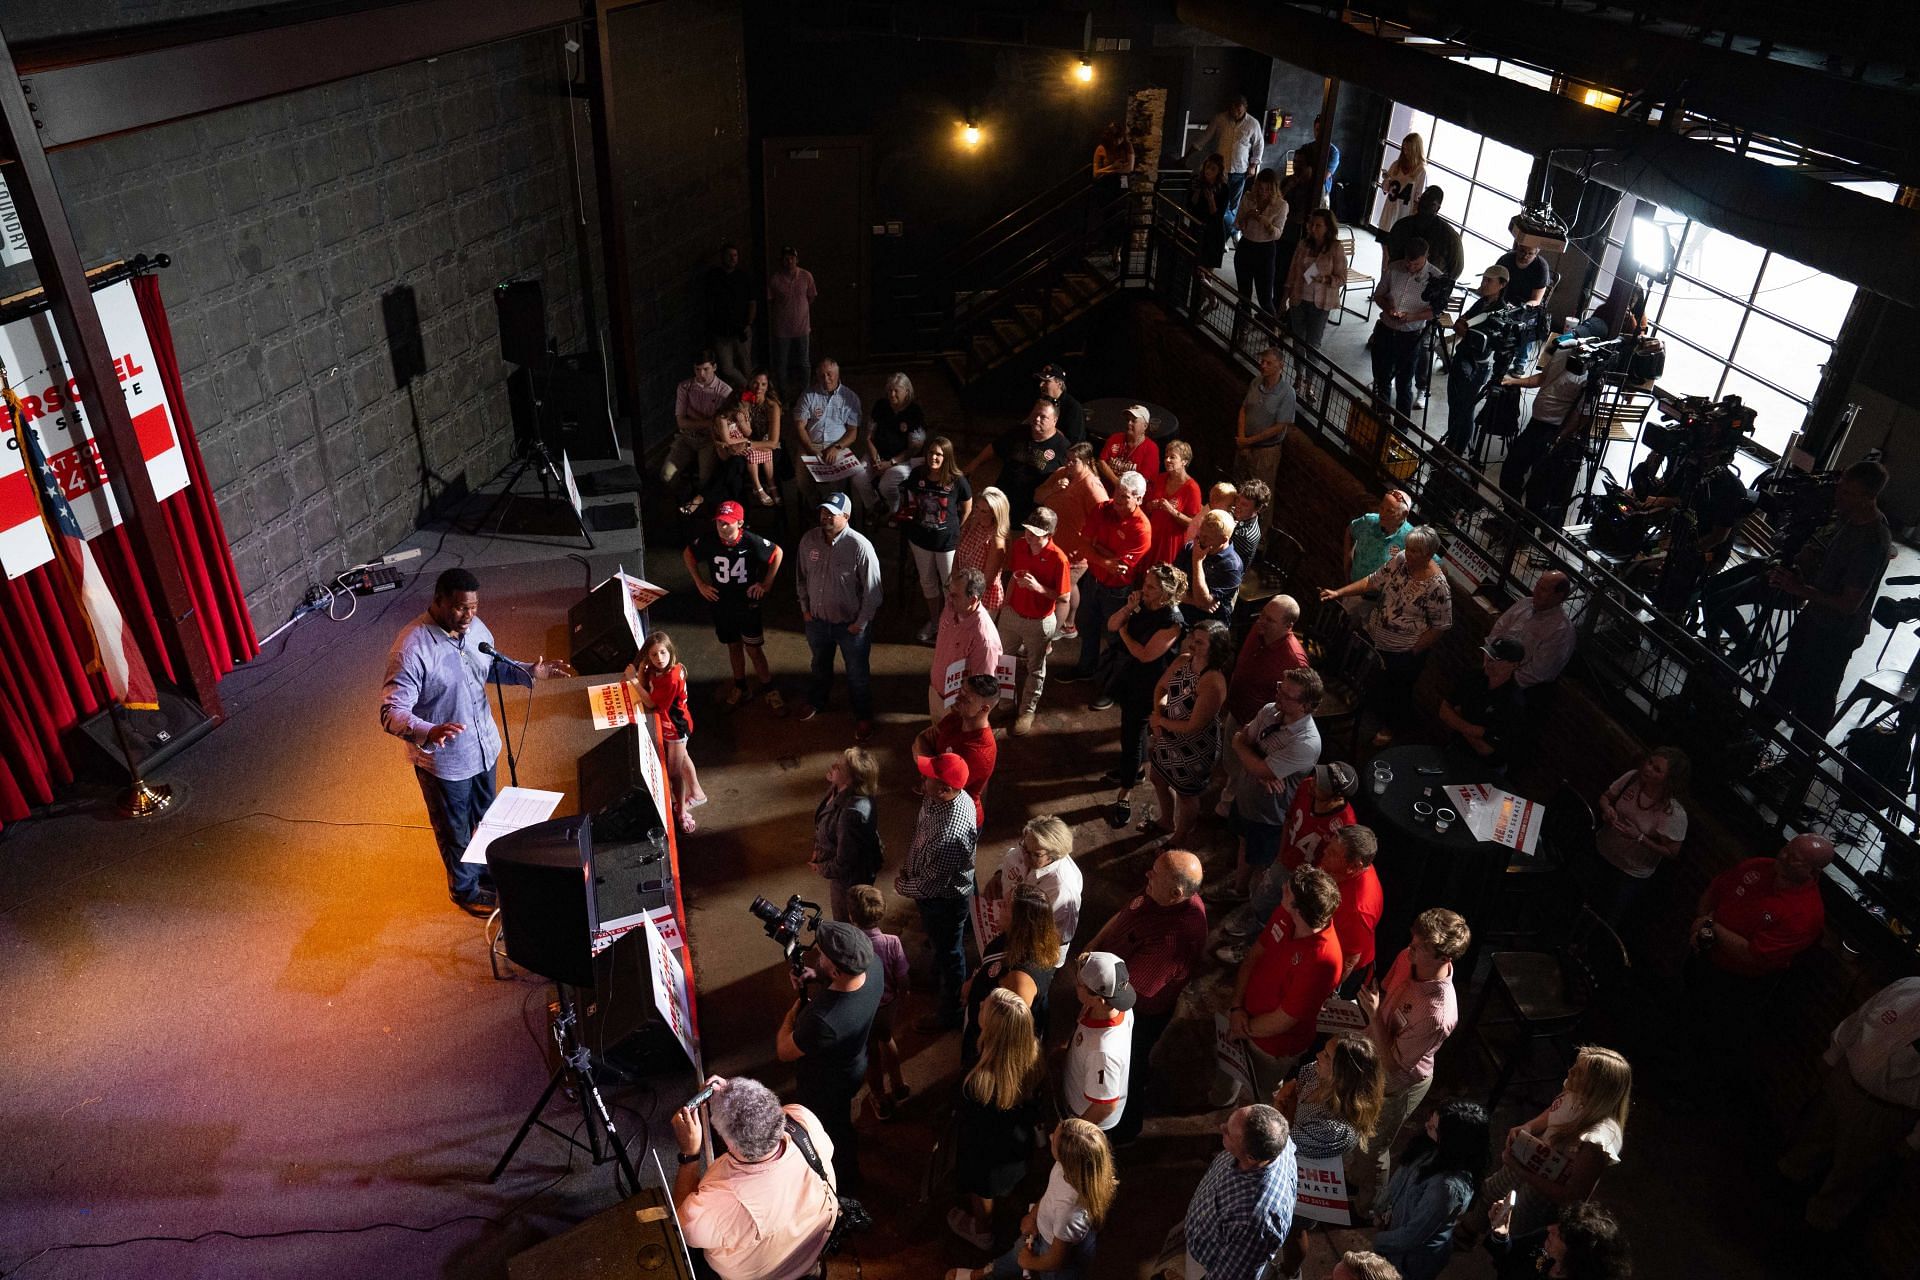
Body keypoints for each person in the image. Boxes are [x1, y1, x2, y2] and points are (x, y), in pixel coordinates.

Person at [379, 567, 575, 913]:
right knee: (455, 829)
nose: (469, 615)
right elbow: (390, 712)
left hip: (483, 749)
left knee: (486, 819)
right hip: (445, 762)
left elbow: (490, 666)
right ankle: (465, 889)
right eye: (460, 608)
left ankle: (487, 871)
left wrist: (530, 671)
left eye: (474, 607)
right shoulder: (411, 649)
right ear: (438, 601)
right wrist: (428, 729)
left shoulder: (475, 629)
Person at [1085, 849, 1209, 1145]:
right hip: (1109, 977)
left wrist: (1085, 985)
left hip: (1138, 1015)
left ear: (1177, 892)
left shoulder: (1174, 939)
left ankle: (1124, 1130)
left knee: (1128, 1068)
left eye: (1155, 874)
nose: (1147, 876)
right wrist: (1093, 945)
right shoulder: (1160, 891)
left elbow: (1124, 995)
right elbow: (1125, 914)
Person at [1777, 976, 1920, 1231]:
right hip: (1844, 1080)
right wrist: (1833, 1055)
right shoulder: (1910, 986)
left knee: (1848, 1175)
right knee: (1810, 1138)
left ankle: (1815, 1227)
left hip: (1882, 1111)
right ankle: (1780, 1188)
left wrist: (1914, 1140)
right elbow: (1862, 1016)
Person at [1354, 909, 1472, 1213]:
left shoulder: (1437, 1013)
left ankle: (1371, 1204)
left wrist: (1372, 1016)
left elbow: (1394, 1065)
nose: (1410, 950)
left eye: (1419, 948)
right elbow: (1384, 991)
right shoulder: (1410, 956)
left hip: (1398, 1080)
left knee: (1374, 1145)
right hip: (1372, 1049)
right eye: (1413, 941)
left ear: (1444, 958)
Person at [1766, 459, 1893, 736]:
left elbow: (1849, 604)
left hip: (1835, 634)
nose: (1839, 497)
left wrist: (1800, 590)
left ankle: (1797, 764)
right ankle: (1755, 737)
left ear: (1868, 497)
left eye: (1848, 494)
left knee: (1815, 703)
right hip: (1814, 619)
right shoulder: (1848, 520)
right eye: (1840, 489)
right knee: (1785, 683)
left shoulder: (1871, 540)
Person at [671, 1076, 838, 1280]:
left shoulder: (725, 1201)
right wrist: (734, 1092)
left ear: (730, 1144)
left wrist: (690, 1154)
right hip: (809, 1257)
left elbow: (681, 1228)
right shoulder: (802, 1119)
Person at [1469, 1046, 1631, 1240]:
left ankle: (1494, 1252)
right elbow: (1553, 1113)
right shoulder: (1574, 1094)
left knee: (1515, 1223)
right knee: (1490, 1193)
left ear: (1596, 1087)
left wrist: (1521, 1170)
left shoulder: (1597, 1141)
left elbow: (1572, 1197)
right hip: (1532, 1160)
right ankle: (1468, 1233)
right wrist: (1528, 1127)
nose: (1570, 1072)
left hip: (1543, 1192)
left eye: (1578, 1072)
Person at [1320, 529, 1453, 748]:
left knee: (1396, 694)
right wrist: (1340, 593)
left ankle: (1388, 728)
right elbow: (1373, 581)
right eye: (1408, 548)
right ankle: (1356, 714)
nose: (1408, 554)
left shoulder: (1438, 588)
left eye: (1415, 551)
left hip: (1403, 652)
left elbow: (1440, 626)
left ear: (1429, 554)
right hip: (1376, 636)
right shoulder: (1400, 559)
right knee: (1366, 678)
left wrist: (1412, 652)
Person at [776, 920, 882, 1187]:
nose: (819, 957)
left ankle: (843, 1181)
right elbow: (843, 983)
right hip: (854, 1064)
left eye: (822, 956)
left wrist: (794, 1012)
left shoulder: (823, 1020)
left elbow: (784, 1051)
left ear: (836, 971)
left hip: (826, 1085)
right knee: (842, 1118)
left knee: (831, 1130)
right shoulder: (874, 965)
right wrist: (817, 975)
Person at [1219, 762, 1359, 963]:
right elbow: (1289, 819)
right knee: (1262, 898)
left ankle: (1250, 949)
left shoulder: (1344, 824)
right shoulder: (1307, 785)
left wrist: (1309, 885)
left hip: (1306, 879)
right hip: (1285, 862)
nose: (1315, 781)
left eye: (1322, 784)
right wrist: (1281, 854)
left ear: (1337, 797)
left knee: (1282, 918)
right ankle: (1250, 923)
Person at [1271, 1034, 1385, 1280]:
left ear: (1342, 1074)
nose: (1318, 1057)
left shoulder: (1337, 1127)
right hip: (1293, 1144)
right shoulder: (1319, 1072)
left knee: (1294, 1228)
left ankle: (1290, 1272)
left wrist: (1284, 1108)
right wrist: (1290, 1088)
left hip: (1307, 1176)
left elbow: (1288, 1141)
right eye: (1323, 1051)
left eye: (1326, 1056)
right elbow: (1300, 1076)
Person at [949, 1118, 1117, 1280]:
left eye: (1054, 1140)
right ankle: (986, 1274)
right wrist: (1033, 1215)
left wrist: (1028, 1262)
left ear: (1068, 1159)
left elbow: (1055, 1260)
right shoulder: (1068, 1169)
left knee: (1029, 1263)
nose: (1050, 1136)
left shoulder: (1070, 1212)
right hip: (1043, 1234)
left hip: (1055, 1258)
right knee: (1016, 1253)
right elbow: (1051, 1194)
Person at [1228, 866, 1344, 1093]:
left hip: (1270, 1045)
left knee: (1256, 1094)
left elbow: (1285, 1018)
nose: (1283, 887)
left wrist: (1244, 1028)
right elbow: (1256, 954)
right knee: (1229, 1075)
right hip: (1243, 1017)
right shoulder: (1286, 913)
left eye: (1288, 890)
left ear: (1298, 909)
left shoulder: (1323, 961)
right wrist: (1236, 1007)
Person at [949, 988, 1046, 1252]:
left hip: (986, 1154)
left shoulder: (978, 1079)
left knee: (983, 1191)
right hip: (1016, 1145)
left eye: (985, 1007)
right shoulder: (1033, 1051)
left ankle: (982, 1231)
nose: (980, 1002)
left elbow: (966, 1116)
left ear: (993, 1030)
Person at [895, 751, 979, 1033]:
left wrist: (902, 885)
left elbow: (931, 885)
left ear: (945, 789)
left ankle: (951, 1012)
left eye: (929, 775)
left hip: (944, 900)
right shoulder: (936, 797)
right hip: (933, 887)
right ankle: (939, 970)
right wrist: (909, 865)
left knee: (950, 953)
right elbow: (920, 836)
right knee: (942, 944)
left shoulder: (949, 836)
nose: (923, 776)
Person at [1100, 563, 1188, 828]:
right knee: (1132, 730)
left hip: (1148, 683)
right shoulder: (1142, 605)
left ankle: (1125, 793)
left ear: (1165, 593)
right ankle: (1135, 770)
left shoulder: (1172, 620)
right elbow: (1112, 624)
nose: (1143, 589)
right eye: (1146, 583)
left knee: (1132, 735)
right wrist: (1128, 608)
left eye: (1150, 586)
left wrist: (1126, 632)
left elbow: (1145, 654)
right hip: (1130, 675)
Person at [1165, 1104, 1296, 1280]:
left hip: (1207, 1265)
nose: (1221, 1127)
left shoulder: (1257, 1221)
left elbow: (1230, 1276)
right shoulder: (1277, 1138)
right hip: (1205, 1232)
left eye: (1228, 1132)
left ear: (1251, 1157)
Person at [1228, 667, 1327, 896]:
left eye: (1286, 695)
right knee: (1243, 842)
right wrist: (1260, 770)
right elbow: (1244, 741)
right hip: (1247, 796)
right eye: (1280, 688)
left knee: (1263, 866)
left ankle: (1251, 903)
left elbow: (1251, 756)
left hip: (1268, 814)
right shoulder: (1270, 710)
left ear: (1306, 706)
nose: (1278, 696)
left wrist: (1257, 764)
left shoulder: (1306, 742)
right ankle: (1238, 888)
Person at [794, 492, 882, 739]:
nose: (825, 516)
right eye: (823, 511)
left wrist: (860, 624)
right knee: (819, 666)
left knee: (857, 675)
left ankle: (863, 716)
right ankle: (817, 702)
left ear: (846, 516)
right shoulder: (809, 540)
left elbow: (873, 592)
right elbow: (801, 577)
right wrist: (805, 609)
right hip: (817, 622)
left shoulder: (860, 546)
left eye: (831, 513)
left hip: (849, 626)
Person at [683, 499, 785, 713]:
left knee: (754, 649)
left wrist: (766, 584)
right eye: (719, 522)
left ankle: (769, 689)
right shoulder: (710, 540)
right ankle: (741, 687)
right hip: (722, 604)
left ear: (739, 523)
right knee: (733, 645)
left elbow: (777, 553)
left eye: (727, 523)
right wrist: (700, 583)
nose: (722, 527)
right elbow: (688, 554)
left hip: (746, 604)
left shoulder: (750, 541)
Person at [1371, 1099, 1490, 1280]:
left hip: (1410, 1261)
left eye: (1435, 1127)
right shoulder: (1429, 1147)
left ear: (1453, 1141)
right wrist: (1381, 1210)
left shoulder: (1446, 1189)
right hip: (1394, 1240)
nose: (1426, 1125)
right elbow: (1400, 1179)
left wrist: (1379, 1241)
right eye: (1431, 1121)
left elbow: (1413, 1235)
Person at [1690, 833, 1832, 984]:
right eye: (1786, 848)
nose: (1783, 856)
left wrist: (1709, 926)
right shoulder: (1759, 865)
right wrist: (1700, 927)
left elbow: (1753, 956)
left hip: (1734, 978)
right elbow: (1715, 889)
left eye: (1794, 859)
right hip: (1702, 950)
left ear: (1813, 872)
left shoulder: (1805, 915)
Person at [1215, 597, 1308, 814]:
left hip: (1256, 728)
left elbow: (1295, 708)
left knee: (1245, 772)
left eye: (1270, 620)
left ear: (1288, 626)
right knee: (1231, 762)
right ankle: (1230, 795)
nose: (1261, 621)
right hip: (1237, 710)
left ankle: (1232, 810)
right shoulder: (1259, 630)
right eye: (1263, 615)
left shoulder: (1294, 661)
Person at [1147, 621, 1232, 853]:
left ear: (1214, 649)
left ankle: (1180, 837)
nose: (1192, 644)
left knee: (1187, 795)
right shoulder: (1184, 660)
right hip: (1168, 735)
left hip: (1193, 748)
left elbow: (1193, 726)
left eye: (1200, 642)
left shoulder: (1212, 682)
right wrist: (1158, 713)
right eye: (1193, 638)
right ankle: (1166, 821)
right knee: (1158, 777)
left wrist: (1160, 722)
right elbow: (1160, 688)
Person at [1584, 747, 1689, 925]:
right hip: (1602, 850)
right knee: (1583, 900)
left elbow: (1672, 852)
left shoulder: (1673, 812)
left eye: (1657, 770)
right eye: (1650, 763)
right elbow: (1606, 797)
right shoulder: (1633, 778)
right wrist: (1608, 809)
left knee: (1604, 919)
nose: (1648, 769)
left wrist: (1640, 837)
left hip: (1628, 872)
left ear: (1670, 780)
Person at [1068, 470, 1153, 684]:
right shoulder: (1103, 508)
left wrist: (1095, 549)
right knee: (1087, 626)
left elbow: (1120, 568)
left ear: (1139, 499)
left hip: (1117, 591)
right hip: (1093, 580)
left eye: (1124, 497)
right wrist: (1105, 558)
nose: (1116, 499)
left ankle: (1111, 687)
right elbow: (1083, 545)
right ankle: (1086, 669)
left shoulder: (1142, 529)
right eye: (1116, 492)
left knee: (1116, 638)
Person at [962, 885, 1061, 1068]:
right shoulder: (1018, 940)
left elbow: (1008, 1033)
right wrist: (974, 981)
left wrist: (983, 1057)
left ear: (1021, 921)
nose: (999, 906)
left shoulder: (1020, 980)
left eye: (1006, 905)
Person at [1000, 505, 1073, 735]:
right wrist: (1006, 604)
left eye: (1034, 533)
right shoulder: (1021, 546)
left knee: (1035, 668)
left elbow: (1064, 597)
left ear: (1049, 535)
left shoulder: (1058, 559)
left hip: (1039, 621)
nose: (1028, 536)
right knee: (1004, 661)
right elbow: (1013, 576)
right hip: (1012, 615)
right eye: (1027, 530)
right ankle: (1004, 704)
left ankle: (1026, 711)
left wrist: (1038, 588)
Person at [1496, 348, 1590, 522]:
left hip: (1554, 430)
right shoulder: (1563, 351)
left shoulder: (1589, 375)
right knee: (1510, 470)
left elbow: (1582, 415)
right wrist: (1514, 382)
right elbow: (1542, 378)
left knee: (1538, 486)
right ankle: (1512, 517)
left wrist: (1562, 436)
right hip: (1535, 424)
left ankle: (1528, 527)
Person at [628, 631, 705, 835]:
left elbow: (652, 702)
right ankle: (697, 793)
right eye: (653, 655)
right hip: (678, 724)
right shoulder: (659, 670)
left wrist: (633, 681)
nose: (659, 658)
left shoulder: (670, 678)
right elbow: (648, 687)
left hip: (675, 729)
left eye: (663, 652)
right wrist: (643, 672)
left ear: (670, 651)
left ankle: (681, 812)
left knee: (674, 773)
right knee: (683, 758)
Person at [900, 436, 973, 644]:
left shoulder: (957, 480)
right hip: (920, 540)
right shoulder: (918, 474)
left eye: (939, 454)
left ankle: (949, 622)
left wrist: (957, 530)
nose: (934, 457)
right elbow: (912, 499)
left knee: (949, 585)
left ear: (947, 457)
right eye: (931, 452)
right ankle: (934, 621)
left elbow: (967, 507)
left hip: (946, 543)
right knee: (927, 582)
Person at [984, 815, 1083, 963]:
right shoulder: (1030, 846)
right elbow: (1012, 856)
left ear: (1055, 856)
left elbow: (1059, 937)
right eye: (1024, 847)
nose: (1024, 856)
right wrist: (999, 875)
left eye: (1036, 855)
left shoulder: (1063, 890)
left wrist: (1017, 933)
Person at [847, 884, 909, 1119]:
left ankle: (879, 1096)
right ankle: (899, 1084)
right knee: (888, 1039)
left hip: (864, 1009)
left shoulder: (852, 945)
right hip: (888, 1005)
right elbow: (902, 975)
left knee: (871, 1052)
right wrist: (905, 992)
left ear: (852, 916)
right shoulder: (892, 942)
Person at [914, 674, 1000, 829]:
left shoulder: (979, 752)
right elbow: (921, 739)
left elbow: (938, 784)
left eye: (967, 699)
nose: (957, 699)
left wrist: (924, 757)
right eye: (961, 692)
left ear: (984, 708)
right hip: (939, 803)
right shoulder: (956, 718)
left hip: (955, 819)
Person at [809, 747, 884, 923]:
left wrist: (821, 868)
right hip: (838, 866)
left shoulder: (852, 813)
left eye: (839, 767)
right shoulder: (839, 788)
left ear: (852, 780)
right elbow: (825, 824)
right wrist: (818, 850)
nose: (833, 765)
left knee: (845, 921)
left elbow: (845, 862)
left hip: (849, 879)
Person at [1064, 952, 1136, 1131]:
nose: (1076, 985)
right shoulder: (1121, 1007)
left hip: (1082, 1114)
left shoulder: (1102, 1052)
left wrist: (1074, 1133)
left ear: (1099, 999)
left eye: (1079, 984)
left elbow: (1105, 1105)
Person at [1369, 237, 1439, 416]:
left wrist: (1412, 317)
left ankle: (1401, 429)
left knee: (1404, 384)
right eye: (1408, 263)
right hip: (1386, 329)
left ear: (1426, 256)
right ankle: (1379, 419)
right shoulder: (1394, 268)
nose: (1410, 267)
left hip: (1410, 336)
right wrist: (1389, 308)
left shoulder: (1436, 278)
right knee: (1381, 378)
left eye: (1415, 264)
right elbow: (1379, 295)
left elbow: (1435, 311)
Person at [1444, 265, 1509, 454]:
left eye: (1489, 281)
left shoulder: (1500, 312)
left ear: (1502, 284)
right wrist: (1468, 331)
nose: (1484, 284)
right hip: (1462, 356)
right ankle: (1451, 442)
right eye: (1484, 279)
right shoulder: (1481, 302)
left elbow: (1482, 341)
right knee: (1454, 404)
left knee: (1465, 410)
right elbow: (1460, 324)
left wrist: (1467, 331)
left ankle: (1457, 450)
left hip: (1476, 366)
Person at [969, 398, 1069, 523]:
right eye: (1035, 414)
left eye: (1043, 417)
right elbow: (995, 447)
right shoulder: (1018, 432)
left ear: (1055, 420)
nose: (1037, 419)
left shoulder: (1062, 448)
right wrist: (973, 465)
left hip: (1030, 514)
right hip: (1001, 502)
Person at [1436, 637, 1528, 772]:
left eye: (1496, 660)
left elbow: (1485, 749)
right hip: (1456, 749)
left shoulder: (1512, 702)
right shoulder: (1473, 677)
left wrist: (1458, 717)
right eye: (1489, 655)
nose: (1488, 662)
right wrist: (1476, 731)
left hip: (1486, 768)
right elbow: (1444, 711)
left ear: (1514, 665)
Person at [929, 569, 1004, 726]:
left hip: (956, 709)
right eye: (949, 592)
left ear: (973, 600)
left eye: (955, 595)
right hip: (936, 693)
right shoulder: (951, 608)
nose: (949, 598)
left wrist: (964, 715)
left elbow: (982, 690)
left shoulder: (984, 639)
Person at [1486, 1200, 1632, 1280]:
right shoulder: (1545, 1240)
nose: (1550, 1229)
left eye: (1561, 1235)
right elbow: (1508, 1257)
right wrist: (1501, 1235)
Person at [852, 371, 928, 517]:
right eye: (889, 391)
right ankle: (875, 505)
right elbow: (869, 436)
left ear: (906, 391)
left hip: (903, 460)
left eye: (896, 391)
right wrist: (875, 459)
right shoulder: (881, 405)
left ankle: (895, 509)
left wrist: (890, 463)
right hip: (878, 454)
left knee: (886, 485)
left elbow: (914, 448)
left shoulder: (914, 412)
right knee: (857, 476)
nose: (892, 395)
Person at [792, 358, 863, 506]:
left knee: (837, 484)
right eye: (822, 375)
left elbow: (852, 432)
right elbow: (800, 426)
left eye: (830, 374)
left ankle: (834, 510)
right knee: (801, 479)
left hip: (838, 445)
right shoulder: (808, 395)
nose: (826, 378)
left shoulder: (850, 397)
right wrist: (810, 447)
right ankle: (816, 506)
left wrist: (836, 448)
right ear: (817, 376)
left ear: (837, 374)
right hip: (811, 443)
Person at [1489, 571, 1575, 691]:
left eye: (1543, 590)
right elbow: (1498, 630)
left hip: (1517, 686)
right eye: (1537, 586)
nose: (1536, 592)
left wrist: (1501, 678)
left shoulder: (1561, 630)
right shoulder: (1525, 603)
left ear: (1558, 596)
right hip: (1495, 667)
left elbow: (1538, 672)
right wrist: (1489, 661)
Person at [1322, 825, 1385, 991]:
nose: (1325, 851)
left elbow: (1348, 961)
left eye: (1334, 853)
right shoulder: (1348, 868)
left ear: (1354, 866)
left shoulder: (1359, 910)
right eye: (1330, 847)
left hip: (1339, 967)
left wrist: (1324, 991)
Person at [1191, 95, 1263, 235]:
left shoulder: (1253, 124)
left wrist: (1253, 164)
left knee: (1233, 205)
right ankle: (1221, 231)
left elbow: (1259, 145)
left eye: (1239, 111)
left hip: (1239, 170)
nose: (1236, 113)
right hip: (1220, 171)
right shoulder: (1220, 119)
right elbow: (1205, 137)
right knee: (1220, 203)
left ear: (1245, 109)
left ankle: (1230, 231)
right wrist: (1189, 154)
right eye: (1233, 110)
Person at [1282, 207, 1348, 355]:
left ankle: (1310, 378)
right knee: (1298, 341)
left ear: (1327, 228)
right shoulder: (1303, 244)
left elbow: (1342, 278)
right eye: (1311, 224)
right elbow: (1292, 273)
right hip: (1299, 299)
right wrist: (1284, 299)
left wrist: (1325, 279)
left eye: (1318, 226)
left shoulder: (1336, 248)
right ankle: (1298, 375)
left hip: (1321, 304)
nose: (1313, 228)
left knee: (1313, 344)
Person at [1234, 347, 1297, 496]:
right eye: (1262, 361)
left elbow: (1279, 427)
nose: (1263, 365)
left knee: (1260, 495)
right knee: (1238, 488)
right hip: (1244, 445)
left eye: (1269, 363)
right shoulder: (1256, 382)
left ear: (1280, 366)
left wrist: (1248, 441)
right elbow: (1244, 409)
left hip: (1265, 451)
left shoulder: (1287, 393)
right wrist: (1243, 438)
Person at [665, 351, 732, 488]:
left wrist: (692, 415)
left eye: (706, 369)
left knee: (705, 478)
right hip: (687, 437)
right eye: (697, 370)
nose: (701, 374)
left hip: (709, 439)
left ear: (714, 367)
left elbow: (719, 425)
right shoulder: (685, 387)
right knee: (667, 474)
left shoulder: (724, 392)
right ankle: (682, 499)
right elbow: (681, 422)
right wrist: (708, 421)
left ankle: (700, 504)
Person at [1234, 169, 1289, 322]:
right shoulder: (1248, 198)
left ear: (1274, 189)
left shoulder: (1281, 205)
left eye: (1267, 189)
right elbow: (1238, 224)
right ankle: (1242, 327)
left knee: (1265, 297)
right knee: (1243, 294)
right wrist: (1247, 216)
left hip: (1265, 250)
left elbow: (1278, 234)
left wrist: (1265, 222)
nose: (1263, 192)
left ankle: (1273, 336)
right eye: (1260, 188)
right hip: (1246, 246)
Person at [704, 243, 758, 388]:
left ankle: (753, 396)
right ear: (723, 257)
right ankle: (749, 388)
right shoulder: (714, 277)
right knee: (727, 368)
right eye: (729, 255)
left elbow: (752, 301)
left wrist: (749, 323)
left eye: (735, 255)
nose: (732, 258)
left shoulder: (743, 277)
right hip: (722, 332)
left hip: (741, 330)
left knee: (746, 365)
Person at [766, 245, 817, 396]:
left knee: (804, 362)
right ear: (781, 261)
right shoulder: (775, 279)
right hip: (782, 330)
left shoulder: (806, 276)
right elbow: (770, 300)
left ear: (797, 259)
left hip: (802, 328)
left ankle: (805, 393)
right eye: (786, 258)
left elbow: (811, 297)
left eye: (792, 258)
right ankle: (784, 395)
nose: (789, 261)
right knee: (782, 364)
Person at [1385, 187, 1464, 282]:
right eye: (1422, 200)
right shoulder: (1402, 226)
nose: (1424, 205)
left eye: (1431, 204)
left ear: (1437, 208)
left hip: (1428, 284)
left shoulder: (1449, 236)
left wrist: (1439, 286)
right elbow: (1392, 253)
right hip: (1400, 279)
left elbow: (1456, 268)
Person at [1144, 439, 1203, 567]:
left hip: (1171, 543)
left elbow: (1193, 523)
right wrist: (1151, 506)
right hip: (1153, 536)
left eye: (1172, 457)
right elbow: (1147, 507)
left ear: (1184, 462)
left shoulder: (1192, 488)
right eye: (1166, 457)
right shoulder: (1160, 478)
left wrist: (1172, 511)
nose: (1167, 460)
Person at [954, 486, 1010, 618]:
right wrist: (956, 582)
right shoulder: (972, 523)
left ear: (995, 513)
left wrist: (964, 593)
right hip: (962, 589)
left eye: (984, 511)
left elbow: (987, 581)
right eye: (977, 508)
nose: (977, 514)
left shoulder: (996, 541)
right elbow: (957, 554)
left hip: (979, 597)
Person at [1181, 510, 1245, 626]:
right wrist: (1194, 601)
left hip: (1207, 624)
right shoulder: (1192, 547)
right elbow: (1169, 585)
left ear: (1223, 540)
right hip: (1181, 612)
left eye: (1207, 537)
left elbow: (1202, 601)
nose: (1200, 538)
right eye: (1201, 532)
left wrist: (1197, 561)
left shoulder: (1232, 566)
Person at [733, 371, 784, 508]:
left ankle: (770, 487)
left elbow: (773, 442)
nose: (758, 387)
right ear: (750, 382)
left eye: (763, 384)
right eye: (755, 383)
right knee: (735, 465)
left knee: (766, 454)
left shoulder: (772, 406)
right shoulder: (745, 400)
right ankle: (742, 508)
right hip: (747, 439)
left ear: (768, 386)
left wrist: (748, 444)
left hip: (767, 443)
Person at [1343, 490, 1414, 586]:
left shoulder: (1411, 538)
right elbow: (1350, 531)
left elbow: (1435, 564)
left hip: (1382, 598)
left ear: (1404, 514)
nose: (1382, 514)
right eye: (1382, 508)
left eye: (1389, 511)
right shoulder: (1368, 521)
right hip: (1351, 588)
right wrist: (1347, 566)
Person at [1190, 153, 1230, 307]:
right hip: (1198, 230)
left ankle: (1207, 302)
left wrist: (1211, 200)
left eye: (1212, 169)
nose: (1208, 171)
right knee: (1198, 271)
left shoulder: (1223, 189)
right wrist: (1197, 192)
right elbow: (1191, 205)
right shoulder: (1198, 183)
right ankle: (1208, 301)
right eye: (1207, 167)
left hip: (1213, 233)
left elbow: (1218, 215)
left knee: (1205, 273)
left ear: (1218, 172)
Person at [1098, 404, 1162, 491]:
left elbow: (1142, 481)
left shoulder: (1151, 449)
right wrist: (1116, 482)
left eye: (1134, 421)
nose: (1129, 423)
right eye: (1128, 420)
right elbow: (1101, 462)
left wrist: (1120, 486)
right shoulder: (1115, 438)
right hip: (1105, 492)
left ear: (1145, 426)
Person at [1378, 134, 1426, 235]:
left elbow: (1418, 198)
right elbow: (1386, 190)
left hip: (1404, 215)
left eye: (1409, 149)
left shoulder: (1420, 172)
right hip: (1389, 212)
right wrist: (1387, 179)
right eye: (1404, 149)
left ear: (1416, 150)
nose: (1406, 152)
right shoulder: (1396, 165)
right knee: (1385, 246)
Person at [1037, 364, 1088, 444]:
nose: (1041, 385)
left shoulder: (1073, 407)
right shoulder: (1042, 402)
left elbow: (1075, 442)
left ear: (1059, 384)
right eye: (1041, 381)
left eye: (1046, 381)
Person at [1230, 481, 1270, 567]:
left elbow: (1222, 556)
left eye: (1244, 504)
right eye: (1238, 500)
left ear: (1257, 508)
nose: (1237, 505)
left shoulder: (1245, 535)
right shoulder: (1240, 514)